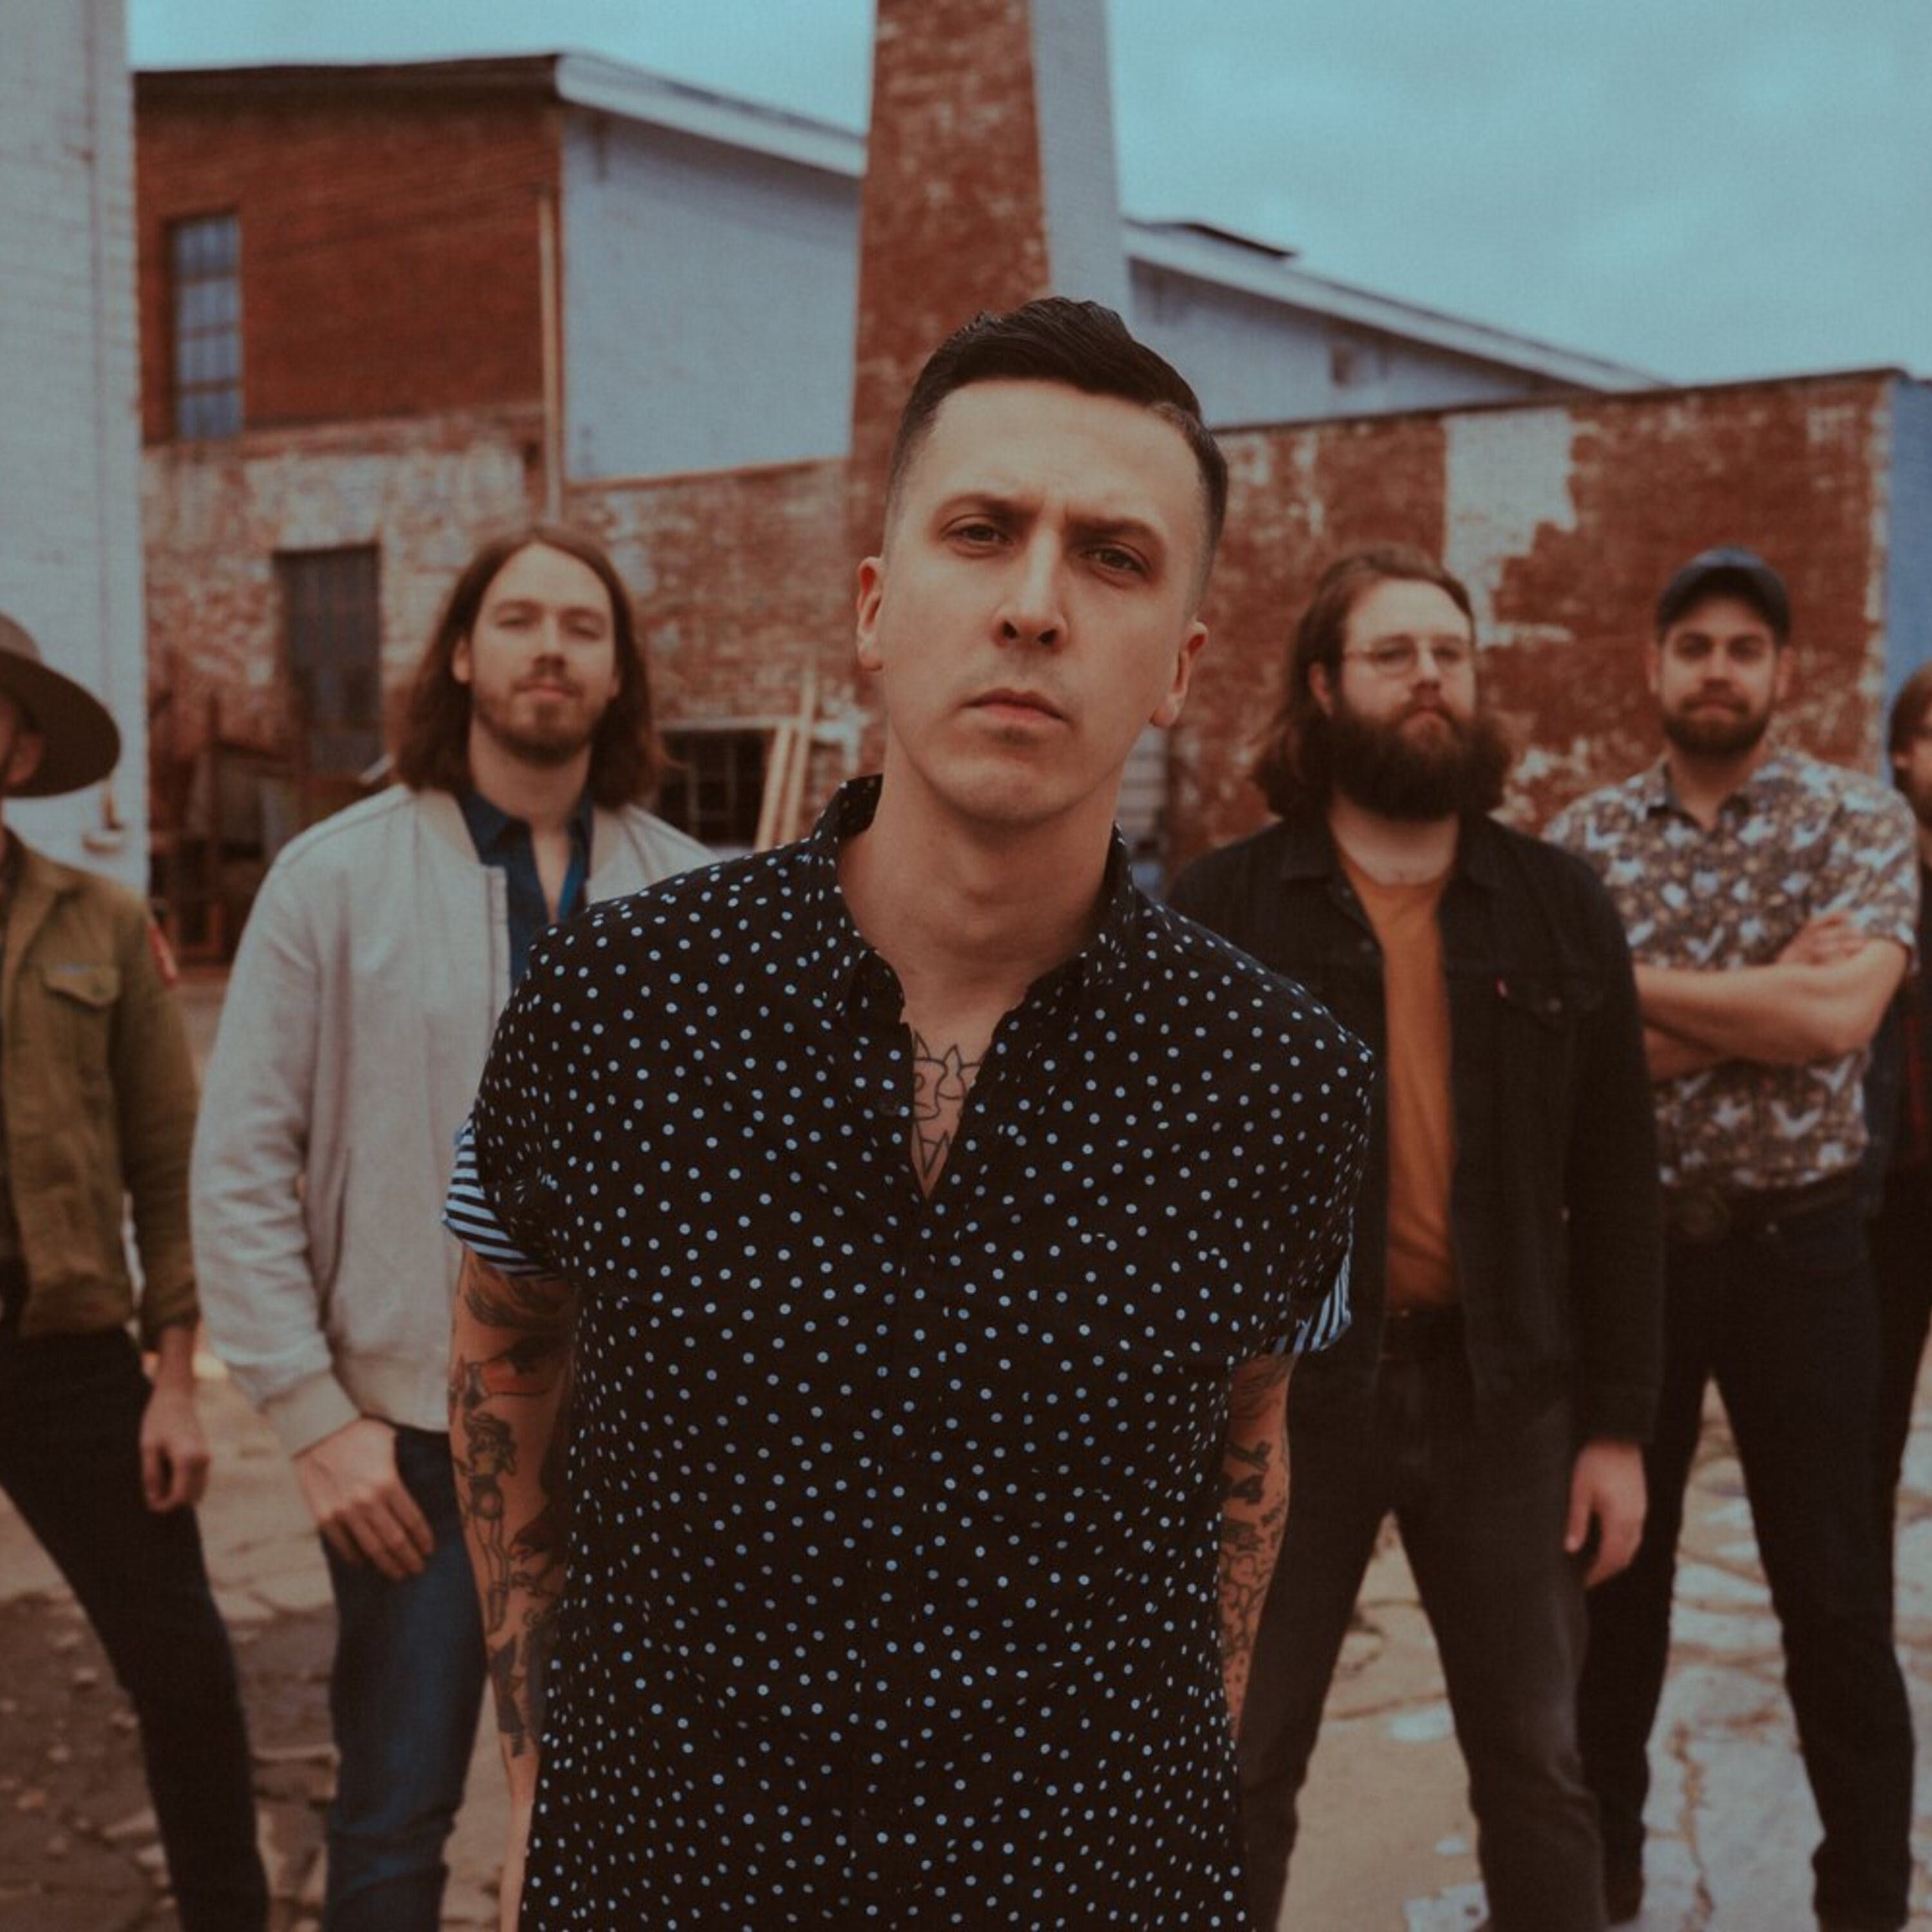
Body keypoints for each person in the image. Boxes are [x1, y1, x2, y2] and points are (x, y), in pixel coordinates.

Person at [441, 298, 1371, 1929]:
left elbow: (1248, 1444)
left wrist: (1179, 1788)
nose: (1034, 606)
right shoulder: (617, 1002)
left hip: (1090, 1885)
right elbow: (505, 1357)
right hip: (670, 1870)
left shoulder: (1278, 1081)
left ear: (1180, 666)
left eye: (1114, 559)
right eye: (982, 531)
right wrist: (539, 1773)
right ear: (877, 608)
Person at [191, 526, 710, 1931]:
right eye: (521, 619)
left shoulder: (691, 893)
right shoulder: (333, 875)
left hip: (638, 1440)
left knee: (639, 1818)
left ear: (618, 674)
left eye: (585, 628)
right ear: (465, 655)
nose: (552, 648)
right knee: (395, 1813)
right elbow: (241, 1162)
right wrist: (312, 1416)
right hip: (413, 1442)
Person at [1168, 545, 1663, 1932]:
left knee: (1540, 1774)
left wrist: (1617, 1430)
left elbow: (1620, 1187)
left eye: (1451, 652)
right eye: (1395, 654)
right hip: (1283, 1412)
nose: (1431, 677)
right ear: (1325, 688)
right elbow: (1161, 1202)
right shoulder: (1221, 910)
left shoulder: (1561, 905)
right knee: (1239, 1767)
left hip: (1507, 1401)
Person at [1548, 547, 1917, 1932]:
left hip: (1804, 1259)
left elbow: (1841, 1021)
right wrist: (1768, 1004)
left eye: (1744, 648)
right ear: (1653, 665)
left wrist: (1627, 992)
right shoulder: (1580, 841)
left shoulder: (1855, 818)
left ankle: (1865, 1897)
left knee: (1835, 1596)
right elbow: (1560, 1062)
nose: (1718, 669)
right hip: (1628, 1259)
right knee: (1610, 1586)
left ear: (1784, 672)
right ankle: (1604, 1874)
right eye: (1694, 644)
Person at [0, 615, 267, 1930]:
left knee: (185, 1671)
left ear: (19, 749)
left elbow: (169, 1167)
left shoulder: (101, 923)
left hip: (66, 1356)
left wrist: (173, 1381)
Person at [1864, 663, 1932, 1607]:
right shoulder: (1872, 886)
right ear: (1904, 756)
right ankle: (1865, 1636)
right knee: (1865, 1438)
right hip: (1895, 1197)